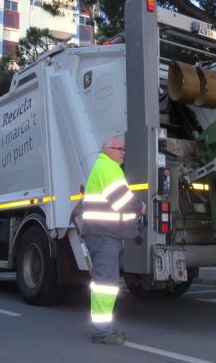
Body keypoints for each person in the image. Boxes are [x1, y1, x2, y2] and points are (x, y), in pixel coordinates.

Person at [81, 137, 146, 345]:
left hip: (103, 234)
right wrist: (140, 207)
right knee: (105, 284)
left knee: (105, 283)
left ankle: (102, 328)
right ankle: (101, 332)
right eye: (120, 149)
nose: (123, 153)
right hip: (104, 235)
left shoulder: (103, 166)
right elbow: (122, 200)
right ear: (108, 150)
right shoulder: (109, 167)